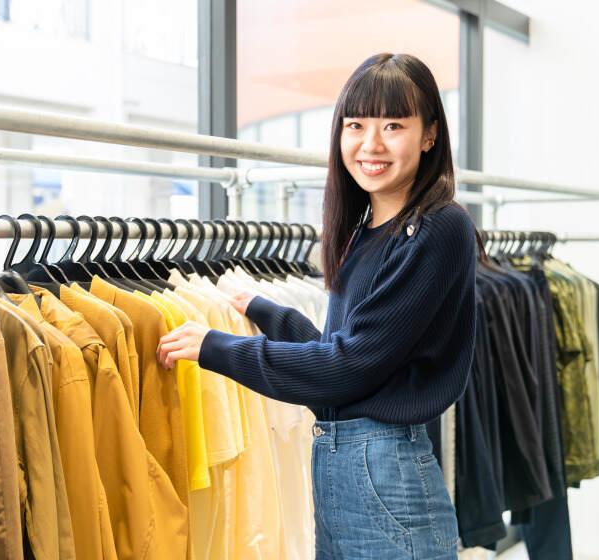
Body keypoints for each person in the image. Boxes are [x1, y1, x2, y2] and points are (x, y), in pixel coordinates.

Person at [157, 52, 477, 559]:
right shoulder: (368, 231)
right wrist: (267, 311)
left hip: (384, 469)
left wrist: (216, 347)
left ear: (429, 135)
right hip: (345, 463)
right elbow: (346, 353)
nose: (371, 144)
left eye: (394, 125)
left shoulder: (438, 227)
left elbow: (347, 369)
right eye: (356, 125)